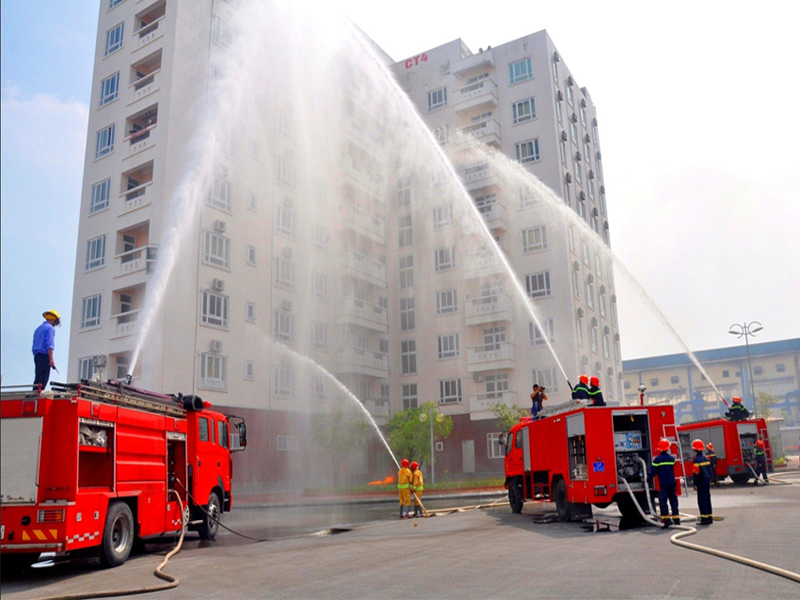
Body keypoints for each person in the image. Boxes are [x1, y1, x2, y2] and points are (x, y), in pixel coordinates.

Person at [648, 438, 680, 528]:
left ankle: (666, 520)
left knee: (663, 501)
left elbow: (653, 472)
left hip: (664, 484)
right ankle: (676, 519)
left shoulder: (657, 460)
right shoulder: (671, 459)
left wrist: (648, 479)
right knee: (673, 501)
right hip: (672, 483)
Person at [33, 310, 61, 390]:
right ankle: (39, 393)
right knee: (44, 378)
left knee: (38, 377)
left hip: (37, 355)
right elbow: (49, 345)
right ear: (54, 320)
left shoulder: (38, 329)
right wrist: (51, 359)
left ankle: (34, 393)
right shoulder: (50, 328)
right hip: (44, 355)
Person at [691, 439, 714, 525]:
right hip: (707, 481)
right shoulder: (706, 458)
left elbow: (696, 473)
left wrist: (695, 483)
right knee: (707, 499)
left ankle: (704, 519)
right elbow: (710, 470)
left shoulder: (696, 460)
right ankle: (709, 517)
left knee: (702, 500)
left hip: (700, 482)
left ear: (695, 449)